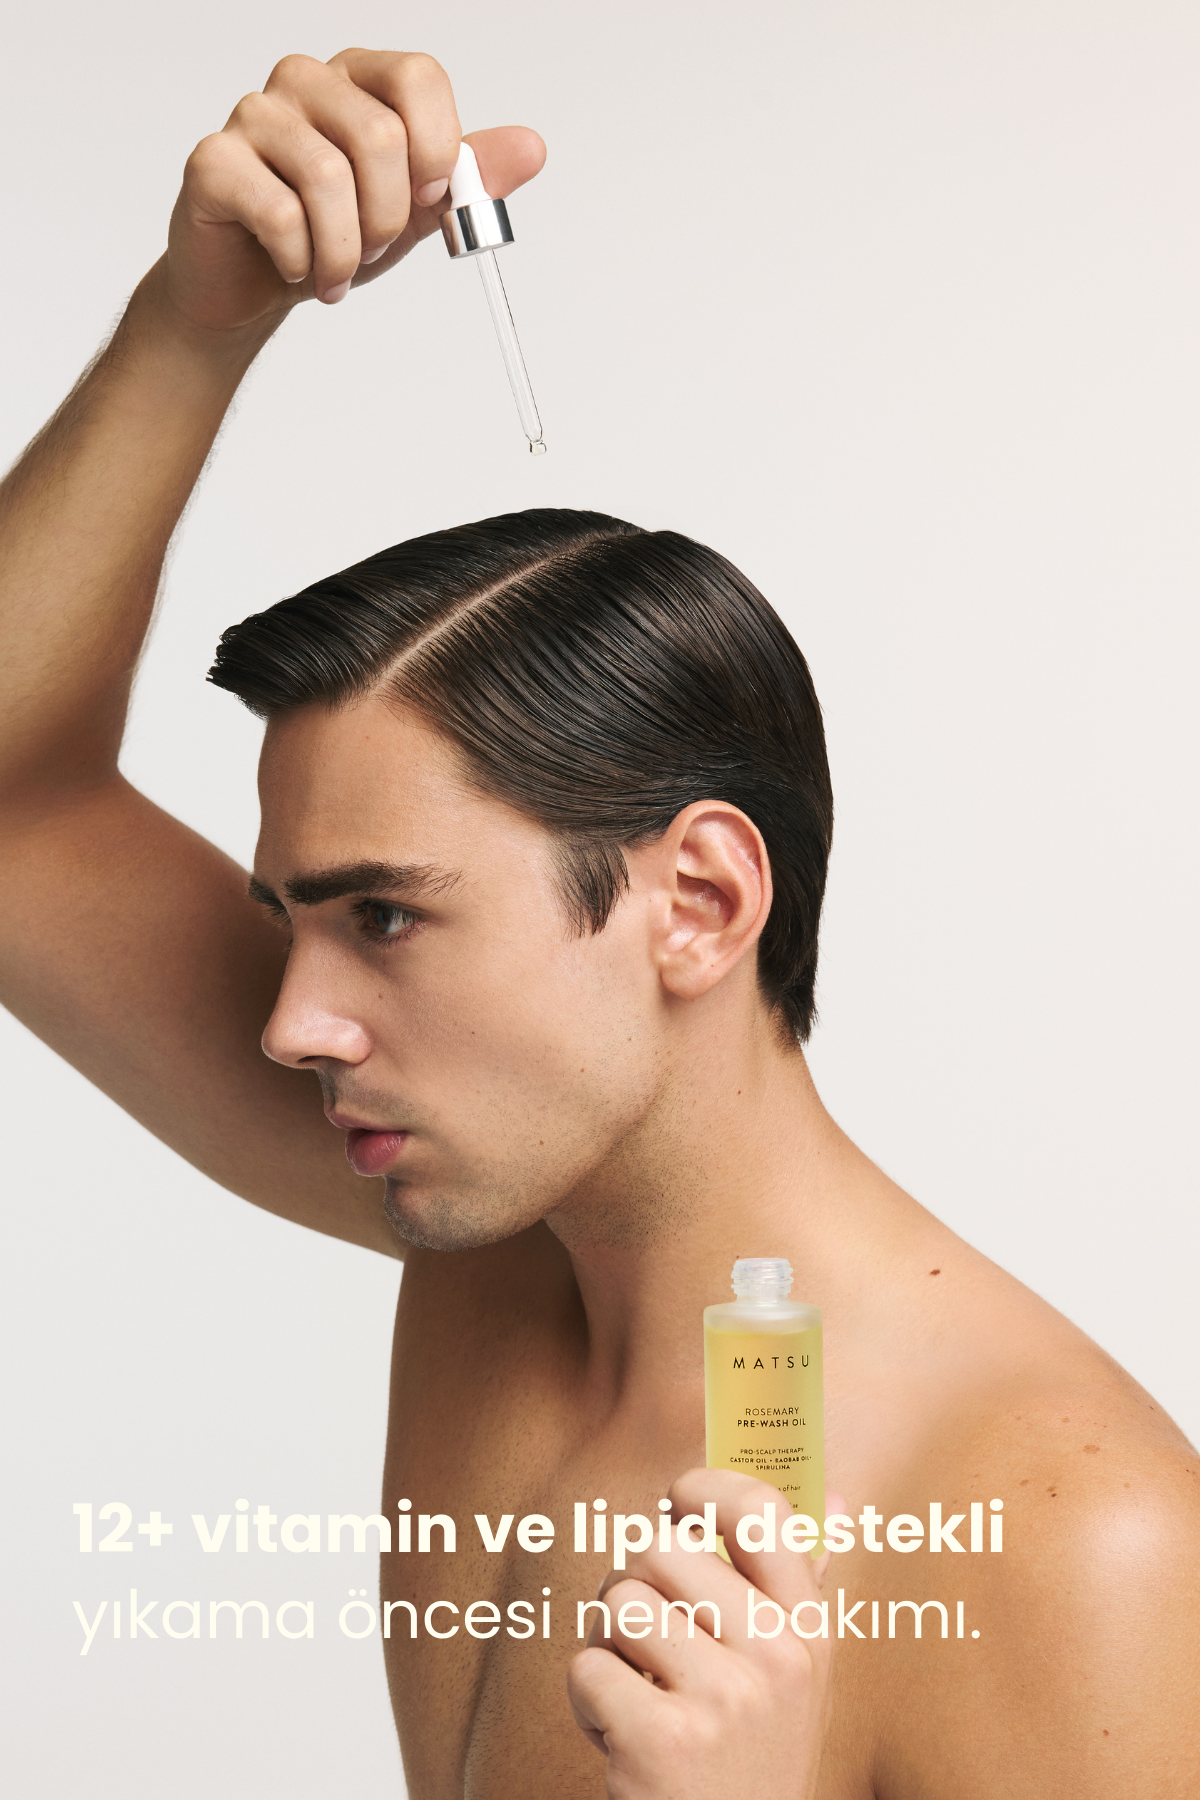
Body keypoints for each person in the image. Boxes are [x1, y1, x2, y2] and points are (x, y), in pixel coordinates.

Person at [0, 46, 1196, 1800]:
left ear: (697, 903)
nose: (291, 1022)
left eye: (384, 916)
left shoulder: (1069, 1540)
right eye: (295, 921)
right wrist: (195, 323)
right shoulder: (498, 1231)